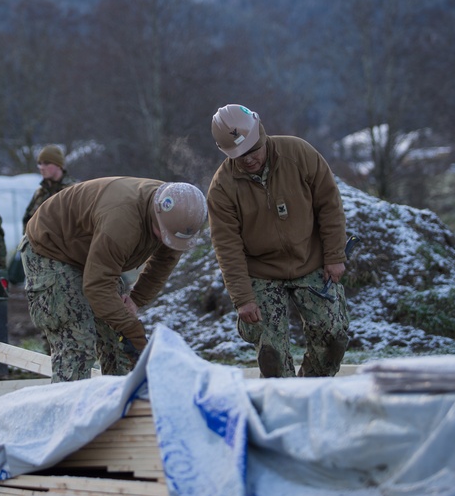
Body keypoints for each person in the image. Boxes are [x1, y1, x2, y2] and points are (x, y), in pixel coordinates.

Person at [206, 104, 349, 378]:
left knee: (333, 337)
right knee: (270, 354)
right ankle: (282, 399)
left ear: (261, 134)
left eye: (252, 151)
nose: (247, 160)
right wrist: (243, 299)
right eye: (239, 155)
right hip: (261, 272)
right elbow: (227, 248)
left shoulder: (299, 153)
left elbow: (329, 204)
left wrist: (334, 255)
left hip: (311, 260)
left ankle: (310, 391)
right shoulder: (222, 188)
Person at [22, 177, 207, 382]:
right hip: (52, 248)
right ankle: (69, 409)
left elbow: (163, 264)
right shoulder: (122, 221)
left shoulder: (179, 215)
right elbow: (97, 287)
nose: (166, 241)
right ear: (156, 213)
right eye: (163, 234)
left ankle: (121, 405)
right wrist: (133, 330)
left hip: (94, 251)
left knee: (118, 343)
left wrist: (135, 300)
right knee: (78, 342)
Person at [21, 145, 77, 231]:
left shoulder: (73, 191)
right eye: (40, 163)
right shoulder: (40, 193)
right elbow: (27, 223)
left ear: (59, 165)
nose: (42, 168)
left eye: (47, 163)